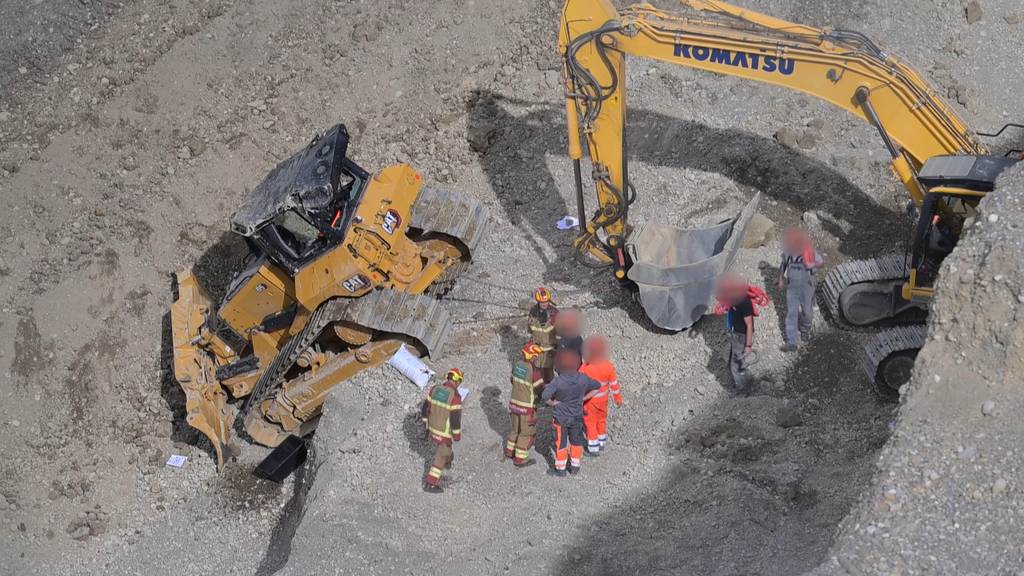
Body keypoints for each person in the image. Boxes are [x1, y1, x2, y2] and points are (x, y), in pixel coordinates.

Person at [540, 349, 601, 477]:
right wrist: (584, 398)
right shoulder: (583, 379)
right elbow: (597, 386)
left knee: (561, 443)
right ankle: (575, 467)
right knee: (576, 441)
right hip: (577, 417)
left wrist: (552, 403)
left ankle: (561, 469)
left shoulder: (558, 381)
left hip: (561, 418)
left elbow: (545, 396)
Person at [777, 228, 822, 352]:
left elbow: (820, 262)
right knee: (791, 313)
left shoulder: (809, 249)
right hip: (792, 286)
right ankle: (792, 342)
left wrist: (812, 264)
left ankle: (805, 331)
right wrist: (780, 278)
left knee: (807, 312)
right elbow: (783, 264)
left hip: (807, 285)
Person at [420, 368, 464, 493]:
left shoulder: (435, 389)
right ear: (457, 380)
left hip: (432, 427)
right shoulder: (455, 397)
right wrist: (456, 435)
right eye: (459, 381)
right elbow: (455, 419)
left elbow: (425, 408)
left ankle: (448, 460)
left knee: (446, 450)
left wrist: (425, 423)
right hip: (443, 432)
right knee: (441, 455)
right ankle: (430, 484)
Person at [505, 343, 545, 467]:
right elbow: (540, 390)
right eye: (536, 356)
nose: (537, 358)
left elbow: (513, 381)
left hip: (514, 404)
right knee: (526, 433)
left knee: (515, 430)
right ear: (532, 356)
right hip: (527, 408)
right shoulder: (534, 371)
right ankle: (520, 459)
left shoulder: (516, 365)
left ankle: (509, 451)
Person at [580, 336, 622, 456]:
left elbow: (578, 385)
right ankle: (601, 442)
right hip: (604, 401)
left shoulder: (585, 368)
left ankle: (593, 449)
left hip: (590, 402)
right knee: (601, 420)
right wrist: (618, 399)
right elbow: (614, 385)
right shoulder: (608, 366)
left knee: (590, 423)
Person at [717, 274, 755, 395]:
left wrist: (748, 346)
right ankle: (741, 382)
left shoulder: (744, 302)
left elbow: (749, 324)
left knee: (736, 365)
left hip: (741, 337)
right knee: (730, 358)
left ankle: (743, 391)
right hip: (735, 334)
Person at [528, 287, 559, 383]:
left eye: (546, 302)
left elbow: (560, 333)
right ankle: (538, 393)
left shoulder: (555, 314)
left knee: (549, 374)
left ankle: (549, 394)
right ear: (537, 301)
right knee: (536, 372)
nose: (545, 304)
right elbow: (530, 329)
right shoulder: (533, 312)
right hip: (536, 349)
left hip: (549, 351)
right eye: (542, 302)